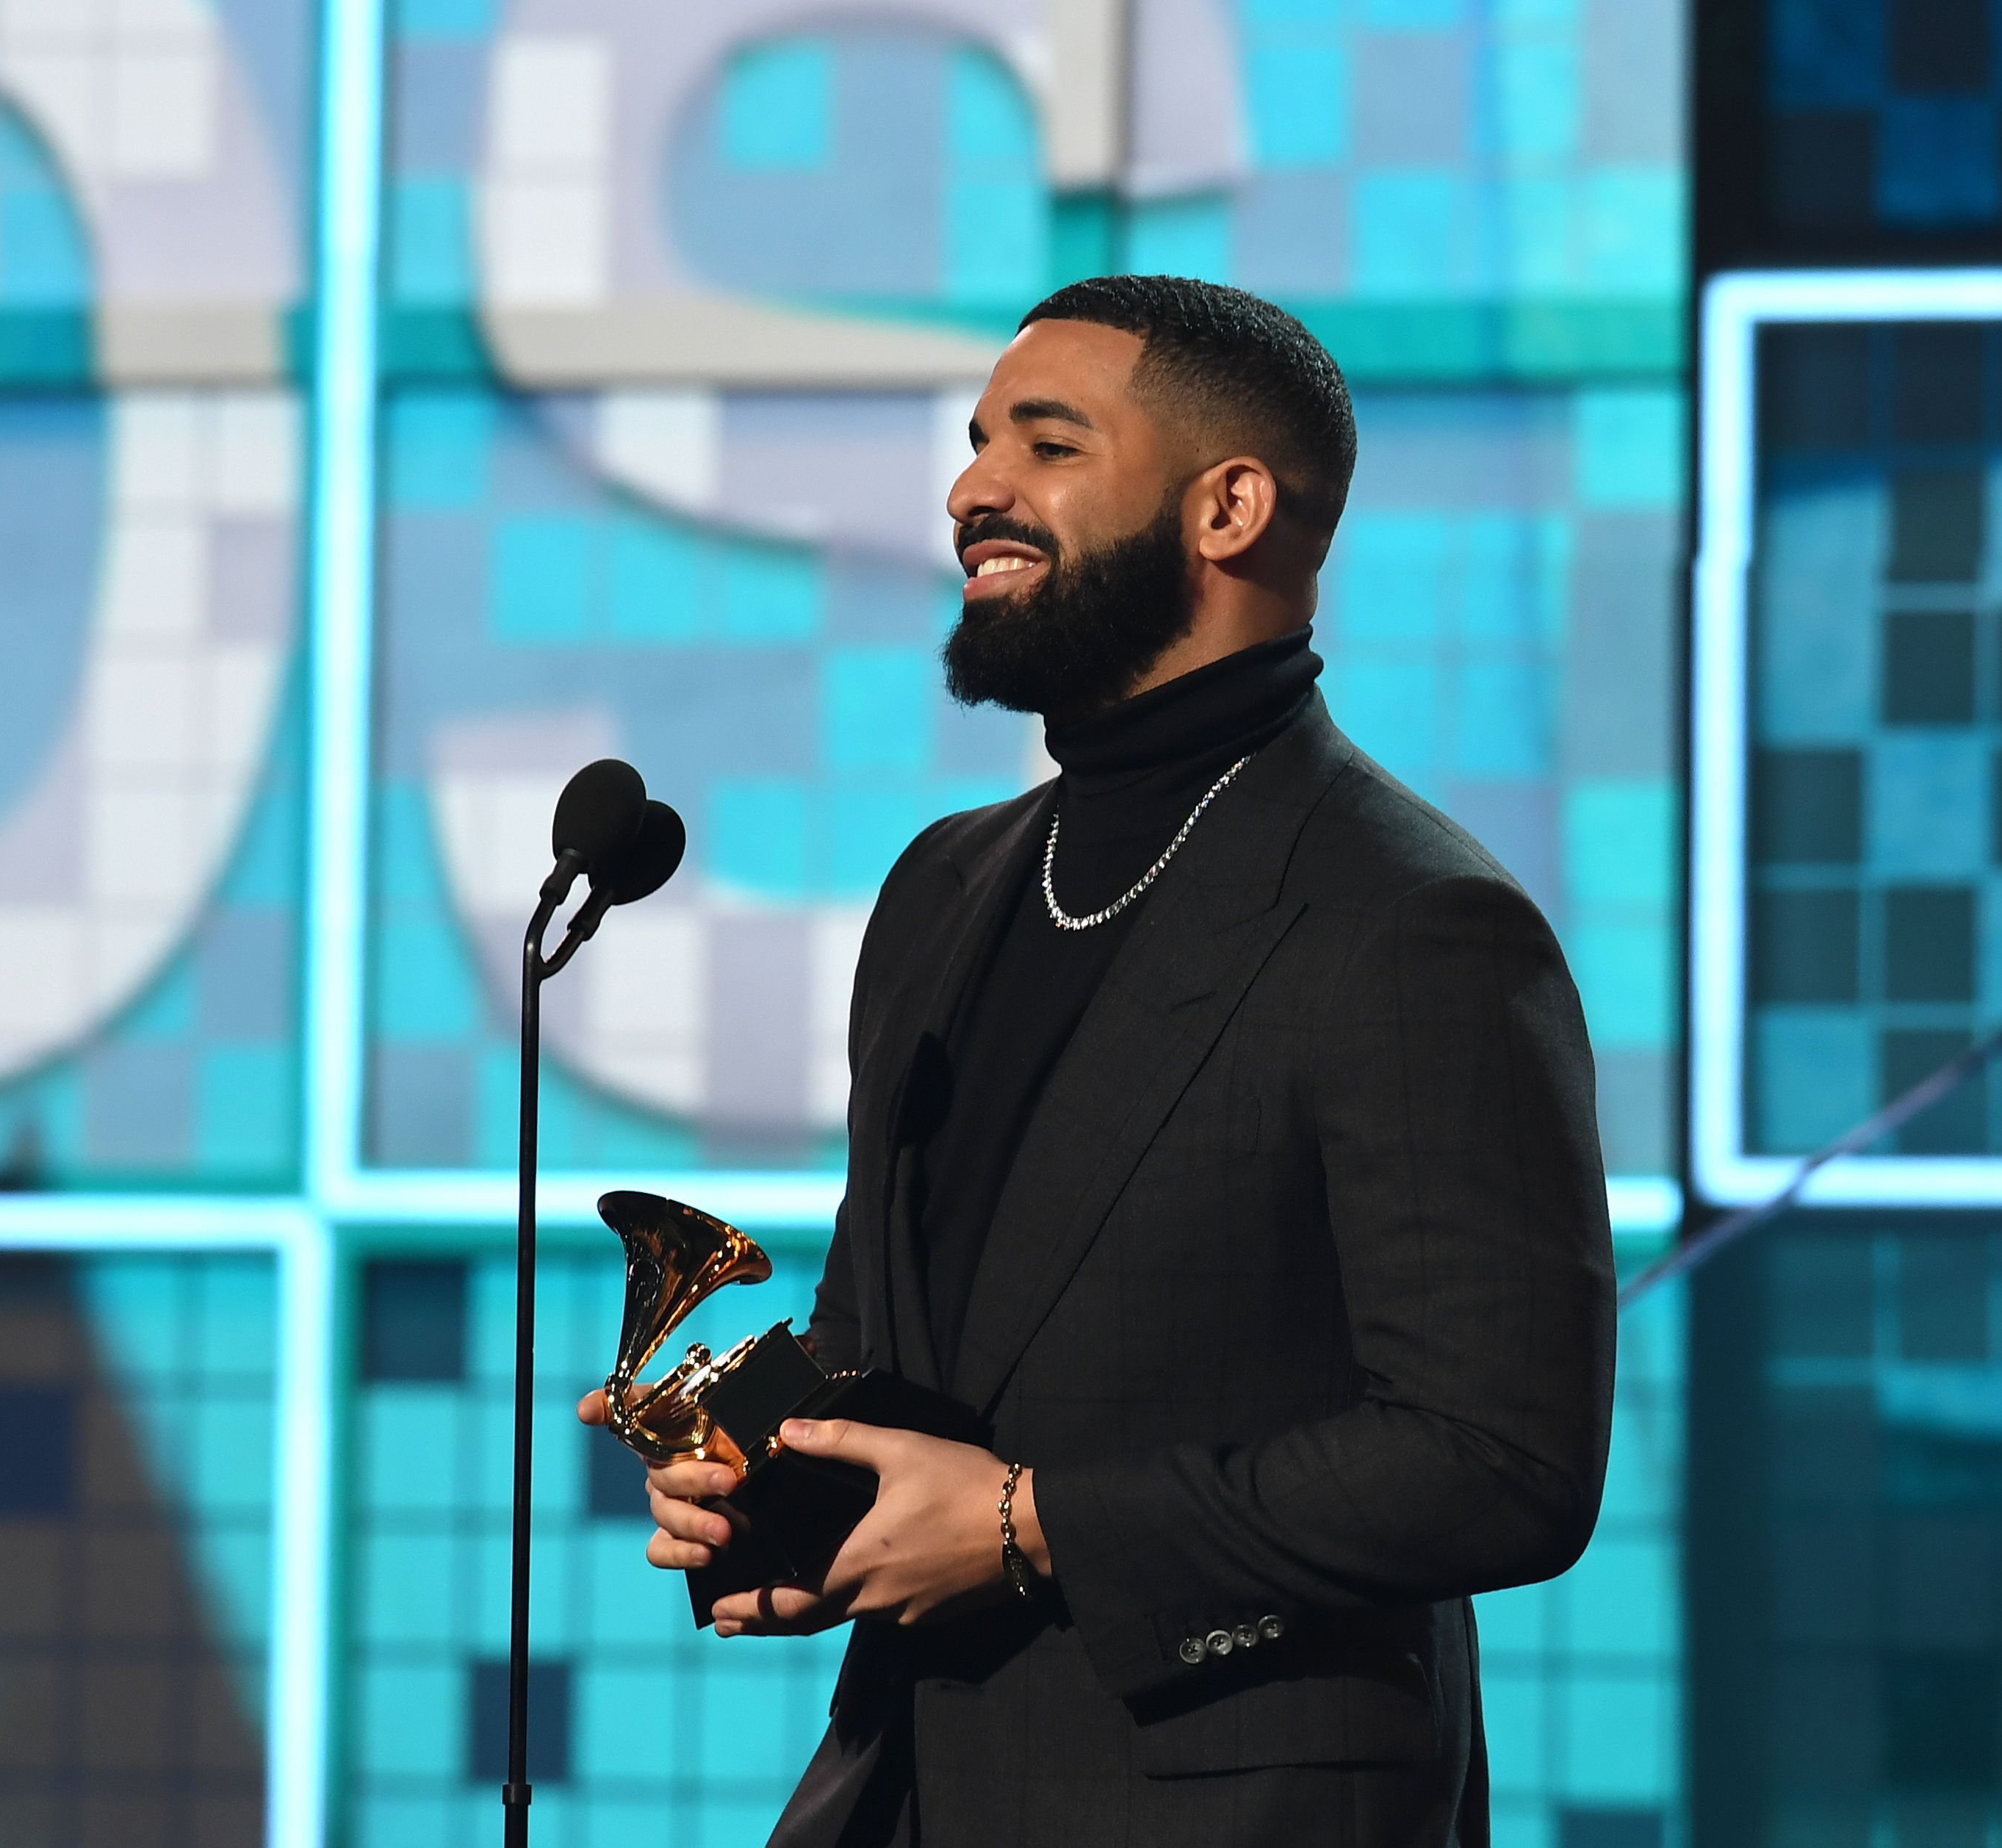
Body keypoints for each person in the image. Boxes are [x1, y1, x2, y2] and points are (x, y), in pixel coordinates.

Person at [579, 275, 1616, 1847]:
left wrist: (1024, 1525)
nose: (972, 489)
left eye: (1046, 444)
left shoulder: (1415, 922)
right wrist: (778, 1489)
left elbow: (1500, 1461)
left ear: (1230, 507)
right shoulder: (946, 884)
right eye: (979, 439)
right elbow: (895, 1350)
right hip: (903, 1790)